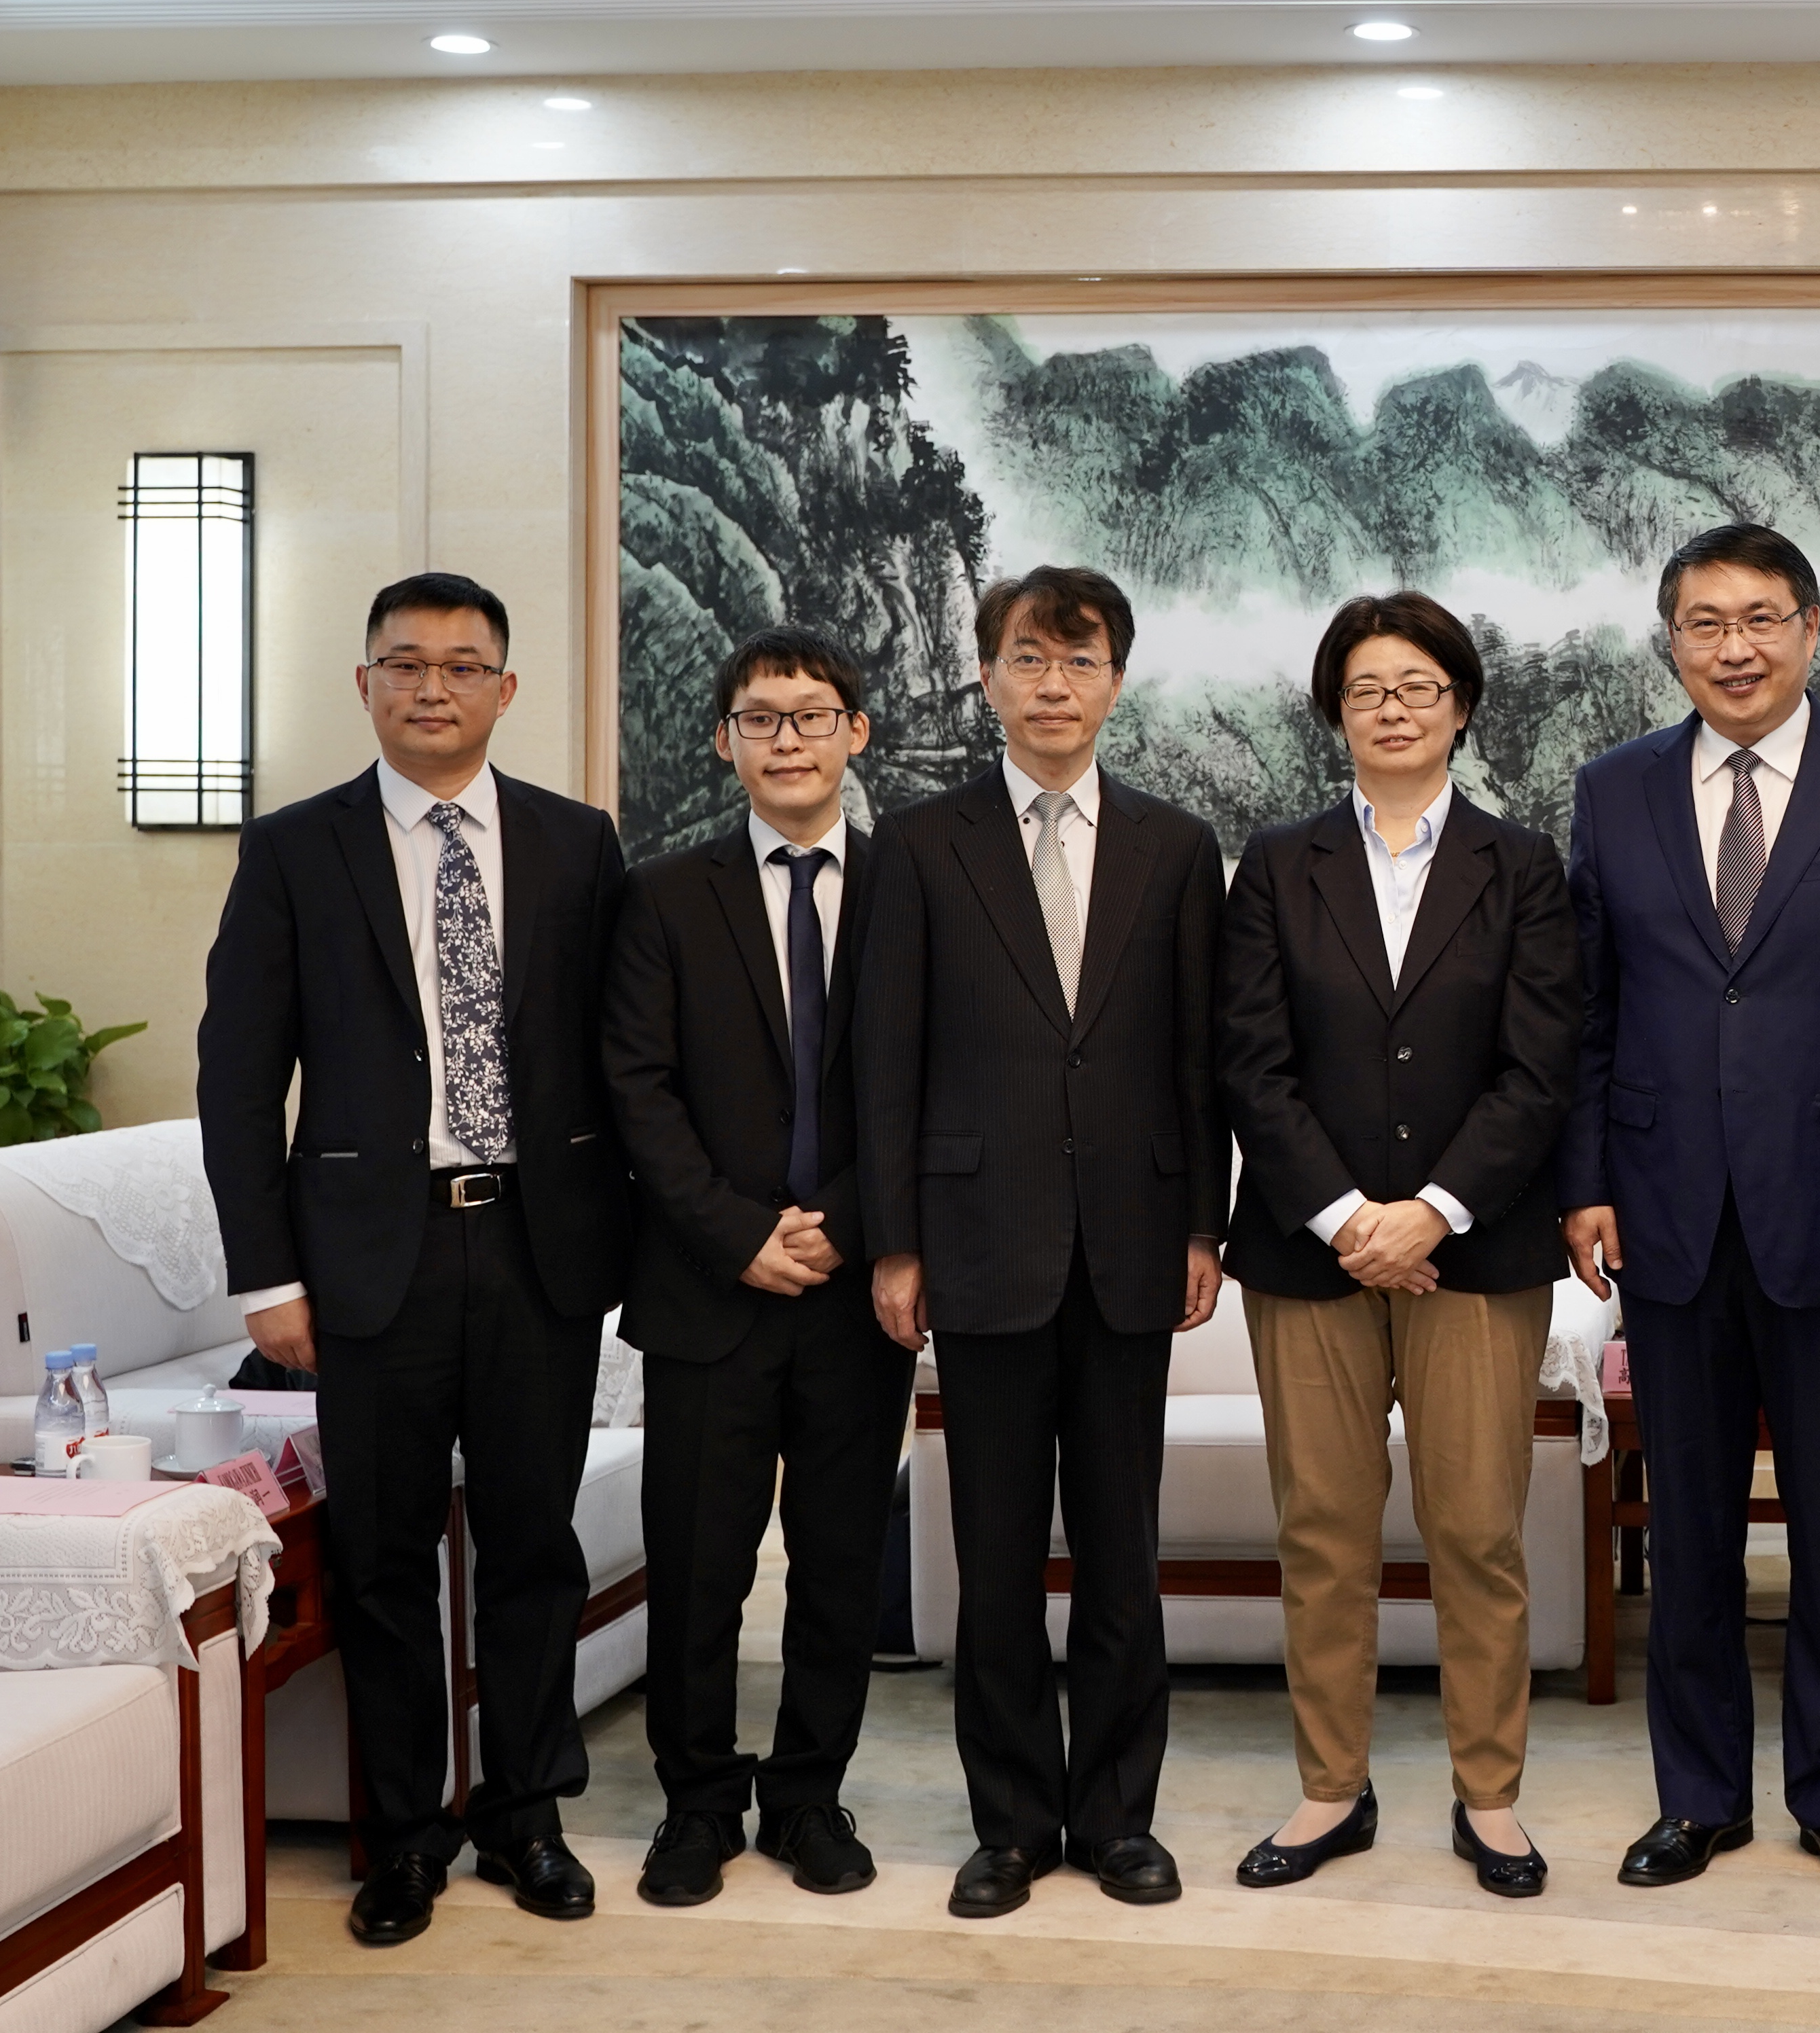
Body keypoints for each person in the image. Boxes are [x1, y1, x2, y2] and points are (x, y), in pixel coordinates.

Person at [198, 570, 632, 1945]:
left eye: (462, 665)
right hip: (366, 1259)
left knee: (533, 1545)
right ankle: (402, 1837)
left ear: (506, 688)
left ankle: (527, 1814)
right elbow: (237, 1076)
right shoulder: (295, 849)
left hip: (539, 1247)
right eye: (406, 663)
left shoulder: (577, 843)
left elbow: (621, 1056)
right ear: (365, 683)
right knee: (383, 1556)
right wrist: (268, 1278)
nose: (433, 687)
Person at [1556, 522, 1820, 1901]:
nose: (1733, 647)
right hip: (1667, 1210)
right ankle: (1698, 1796)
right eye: (1704, 622)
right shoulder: (1614, 790)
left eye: (1760, 619)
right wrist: (1586, 1180)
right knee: (1688, 1531)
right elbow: (1591, 1009)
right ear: (1672, 639)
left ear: (1811, 628)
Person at [854, 564, 1227, 1920]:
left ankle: (1119, 1819)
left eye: (1079, 661)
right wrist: (896, 1243)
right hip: (978, 1243)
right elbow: (885, 1058)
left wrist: (1204, 1221)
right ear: (988, 676)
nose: (1053, 684)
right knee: (998, 1556)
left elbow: (1199, 1055)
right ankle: (1010, 1825)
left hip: (1132, 1242)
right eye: (1028, 658)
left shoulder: (1176, 845)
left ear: (1115, 681)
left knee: (1124, 1554)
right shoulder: (920, 842)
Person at [1217, 592, 1584, 1900]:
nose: (1393, 709)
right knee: (1322, 1529)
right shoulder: (1277, 863)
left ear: (1461, 708)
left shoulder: (1521, 865)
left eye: (1419, 686)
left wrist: (1432, 1212)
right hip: (1307, 1254)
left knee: (1477, 1530)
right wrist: (1346, 1218)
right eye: (1367, 689)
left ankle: (1491, 1799)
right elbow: (1250, 1061)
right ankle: (1332, 1790)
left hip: (1475, 1255)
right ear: (1336, 712)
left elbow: (1540, 1068)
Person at [602, 624, 916, 1909]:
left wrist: (847, 1220)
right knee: (698, 1567)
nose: (788, 739)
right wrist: (737, 1234)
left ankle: (806, 1797)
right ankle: (695, 1804)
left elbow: (935, 1080)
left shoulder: (912, 888)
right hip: (706, 1292)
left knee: (839, 1564)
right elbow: (636, 1088)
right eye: (761, 718)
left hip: (854, 1291)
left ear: (856, 732)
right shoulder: (664, 895)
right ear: (724, 740)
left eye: (812, 714)